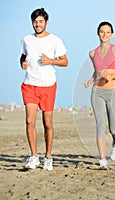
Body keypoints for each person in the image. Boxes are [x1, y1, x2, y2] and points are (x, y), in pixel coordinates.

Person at [20, 8, 68, 170]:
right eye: (35, 21)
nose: (37, 24)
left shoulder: (54, 40)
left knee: (47, 123)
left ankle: (48, 156)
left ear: (46, 23)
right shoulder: (26, 39)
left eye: (40, 21)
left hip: (48, 85)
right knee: (29, 121)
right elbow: (23, 56)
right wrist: (23, 64)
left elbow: (65, 61)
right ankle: (34, 156)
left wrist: (50, 61)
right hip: (30, 84)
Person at [84, 21, 115, 169]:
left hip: (113, 92)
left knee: (113, 127)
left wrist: (112, 77)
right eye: (102, 32)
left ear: (112, 34)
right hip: (97, 91)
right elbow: (97, 71)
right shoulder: (92, 53)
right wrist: (91, 79)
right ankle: (102, 159)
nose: (104, 34)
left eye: (107, 32)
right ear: (98, 33)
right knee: (100, 125)